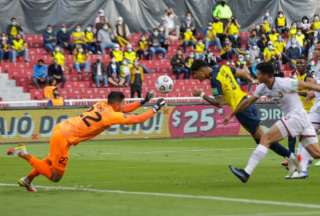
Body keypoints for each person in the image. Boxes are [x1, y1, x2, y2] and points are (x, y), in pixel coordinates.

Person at [7, 92, 166, 192]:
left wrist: (143, 102)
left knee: (50, 160)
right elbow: (137, 119)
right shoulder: (111, 115)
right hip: (64, 137)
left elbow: (124, 110)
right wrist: (155, 108)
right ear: (116, 104)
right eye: (123, 103)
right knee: (55, 176)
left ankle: (27, 180)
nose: (124, 106)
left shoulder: (102, 104)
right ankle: (24, 153)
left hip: (63, 129)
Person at [228, 62, 320, 183]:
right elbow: (248, 102)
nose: (257, 76)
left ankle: (246, 172)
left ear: (267, 75)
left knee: (266, 138)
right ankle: (246, 173)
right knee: (316, 153)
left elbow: (306, 84)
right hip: (301, 119)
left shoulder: (284, 82)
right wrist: (233, 113)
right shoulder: (262, 87)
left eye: (259, 74)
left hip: (296, 116)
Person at [190, 60, 291, 170]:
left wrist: (202, 95)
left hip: (242, 109)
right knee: (259, 140)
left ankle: (291, 158)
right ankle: (290, 158)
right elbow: (242, 73)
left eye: (195, 74)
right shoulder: (223, 68)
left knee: (264, 139)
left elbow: (219, 103)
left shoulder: (215, 80)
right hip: (246, 101)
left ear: (201, 70)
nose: (197, 78)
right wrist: (251, 80)